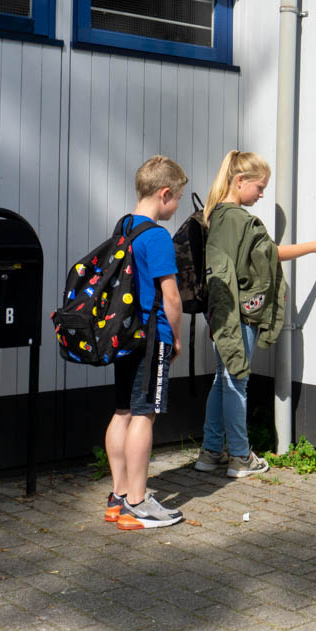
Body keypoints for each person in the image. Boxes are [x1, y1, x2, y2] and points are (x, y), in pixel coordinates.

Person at [194, 150, 316, 477]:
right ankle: (240, 457)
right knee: (236, 382)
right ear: (240, 181)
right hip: (238, 316)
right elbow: (268, 255)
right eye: (260, 187)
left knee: (223, 380)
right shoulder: (238, 219)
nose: (262, 194)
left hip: (222, 313)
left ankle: (211, 451)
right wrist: (314, 246)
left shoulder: (217, 216)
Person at [103, 155, 188, 530]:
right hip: (152, 337)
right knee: (143, 415)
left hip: (123, 334)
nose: (177, 205)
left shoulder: (124, 226)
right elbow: (171, 296)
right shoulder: (157, 237)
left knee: (122, 410)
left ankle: (118, 495)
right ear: (164, 193)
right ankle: (137, 504)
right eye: (178, 198)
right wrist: (177, 338)